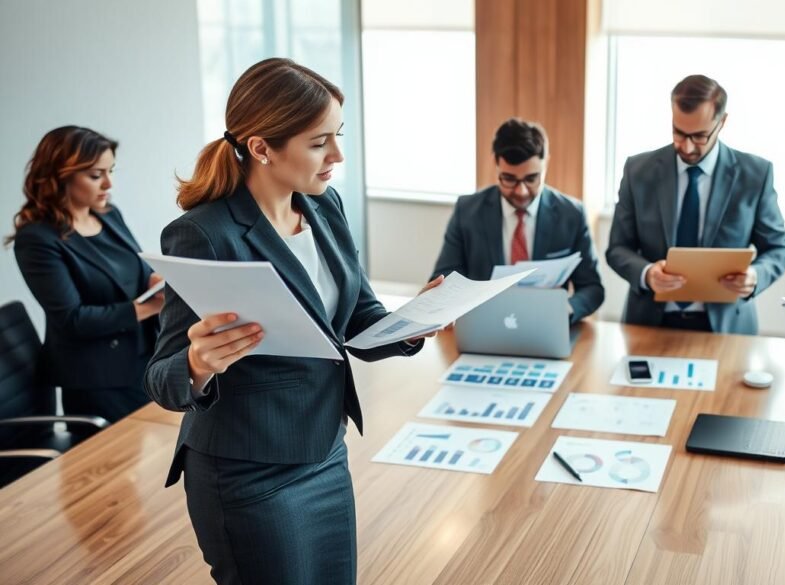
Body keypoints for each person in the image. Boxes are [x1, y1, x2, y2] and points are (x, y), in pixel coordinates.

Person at [144, 58, 439, 584]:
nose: (338, 156)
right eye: (319, 142)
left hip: (325, 451)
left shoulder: (325, 208)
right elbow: (161, 377)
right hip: (248, 471)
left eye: (338, 136)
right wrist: (196, 363)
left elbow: (357, 317)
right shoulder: (205, 235)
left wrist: (410, 324)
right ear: (261, 148)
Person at [606, 74, 785, 333]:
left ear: (722, 122)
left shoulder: (755, 175)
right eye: (678, 133)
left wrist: (755, 277)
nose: (687, 146)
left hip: (728, 327)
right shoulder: (638, 170)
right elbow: (617, 248)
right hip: (649, 323)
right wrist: (647, 273)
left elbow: (779, 248)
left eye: (700, 136)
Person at [9, 126, 161, 423]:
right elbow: (72, 320)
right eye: (96, 175)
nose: (108, 183)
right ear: (61, 176)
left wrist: (154, 281)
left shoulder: (108, 215)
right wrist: (149, 307)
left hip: (145, 360)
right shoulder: (38, 239)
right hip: (98, 380)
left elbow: (137, 270)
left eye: (111, 171)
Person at [430, 117, 604, 323]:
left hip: (545, 325)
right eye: (509, 179)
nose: (521, 191)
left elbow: (593, 288)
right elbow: (443, 280)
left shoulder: (572, 214)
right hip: (484, 325)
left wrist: (566, 309)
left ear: (545, 164)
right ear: (496, 165)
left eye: (531, 179)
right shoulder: (467, 211)